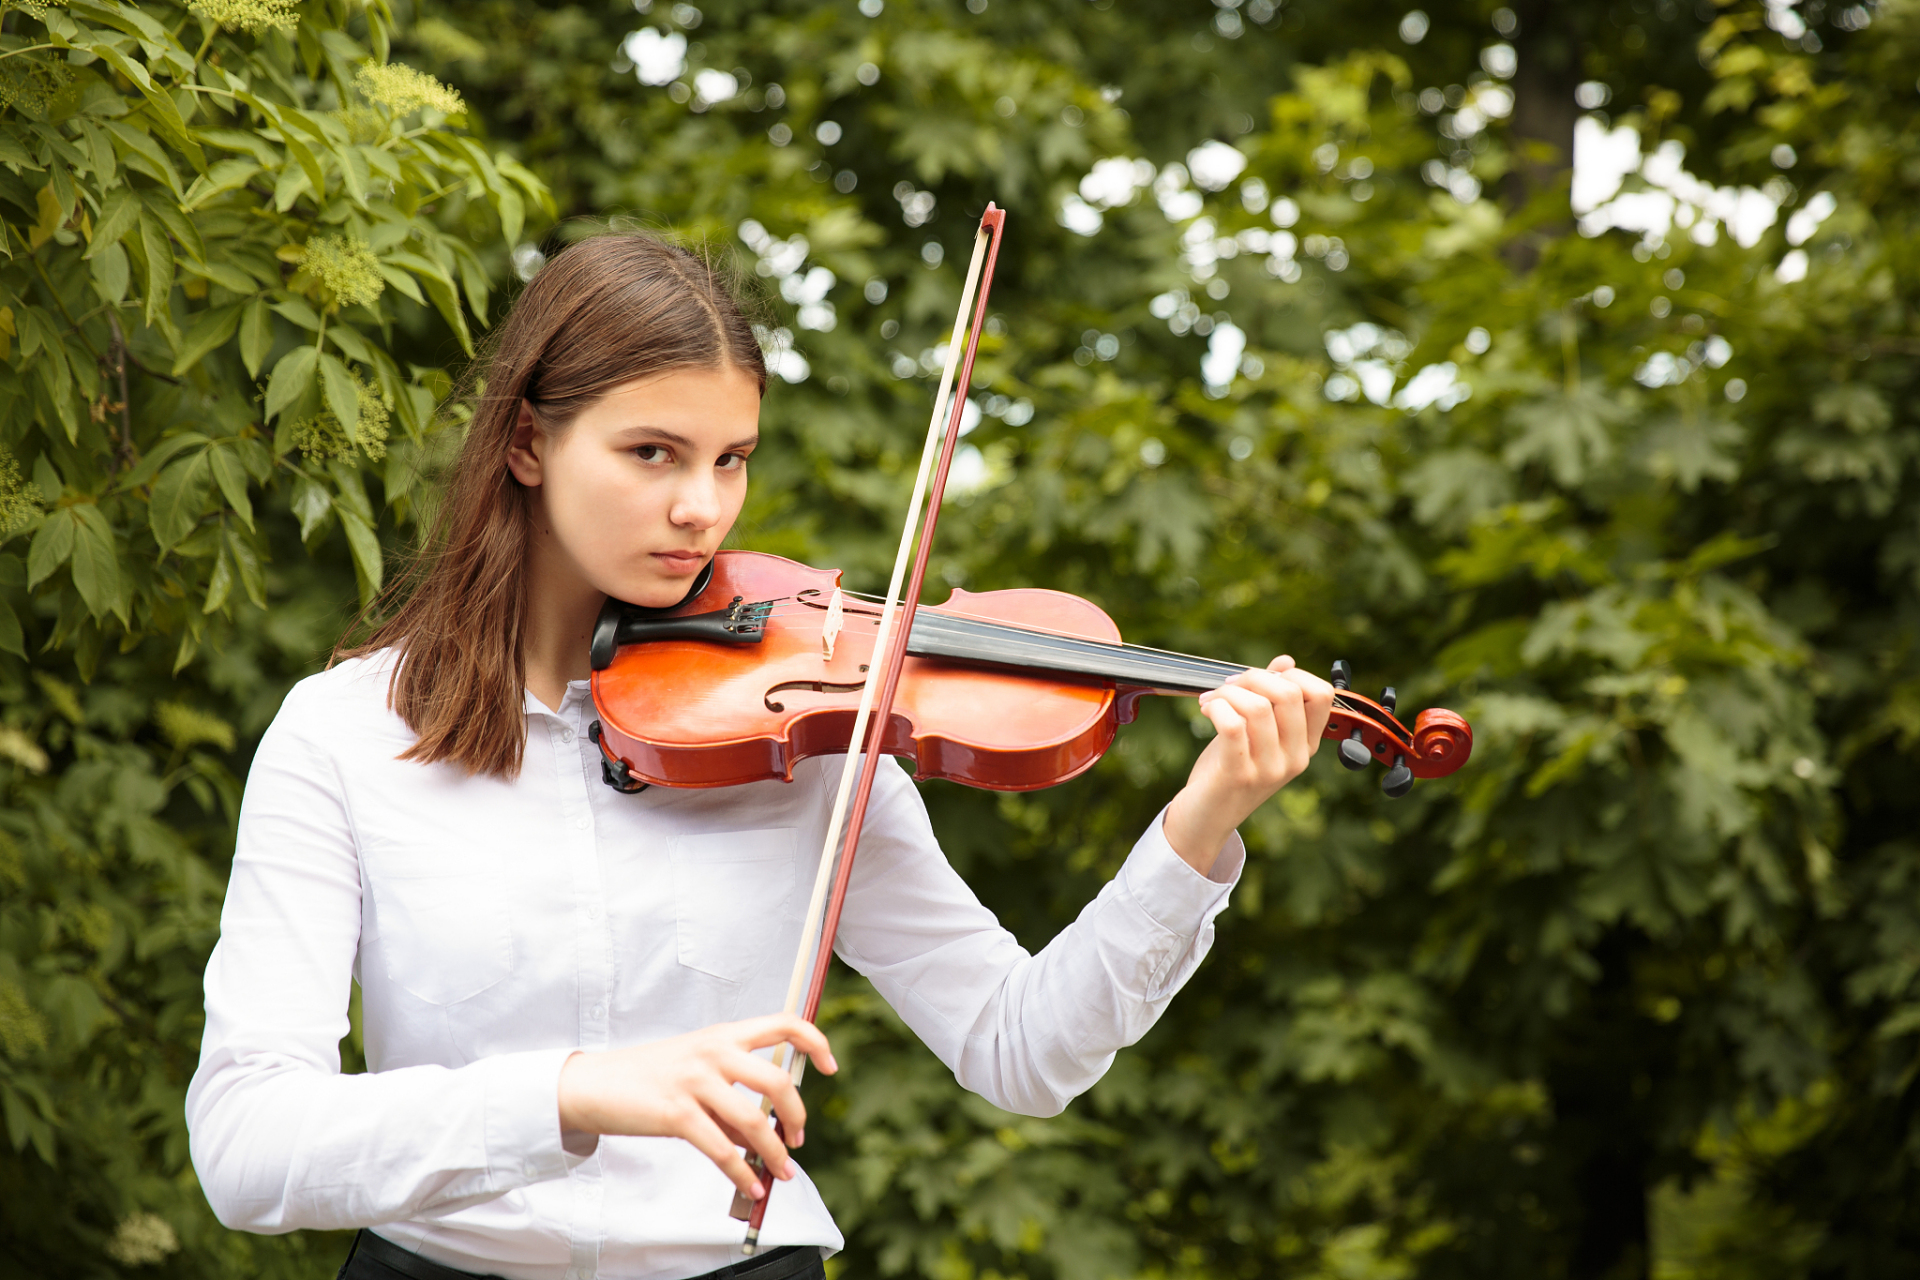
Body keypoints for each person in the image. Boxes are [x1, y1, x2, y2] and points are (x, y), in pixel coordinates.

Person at [185, 233, 1335, 1280]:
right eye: (653, 452)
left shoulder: (814, 728)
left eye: (731, 459)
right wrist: (573, 1091)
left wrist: (1201, 824)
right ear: (528, 441)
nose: (702, 508)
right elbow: (246, 1142)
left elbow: (1017, 1047)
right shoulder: (344, 734)